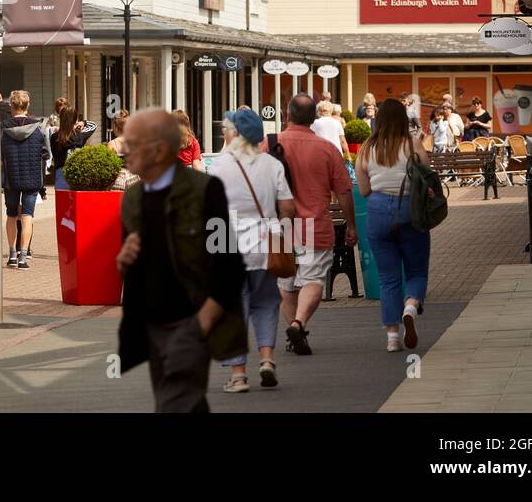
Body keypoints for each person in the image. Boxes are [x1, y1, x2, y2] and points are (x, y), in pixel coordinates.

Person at [115, 108, 246, 412]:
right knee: (184, 401)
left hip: (191, 320)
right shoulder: (133, 198)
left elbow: (229, 261)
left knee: (173, 402)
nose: (125, 148)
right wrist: (124, 260)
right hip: (151, 324)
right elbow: (132, 267)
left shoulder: (205, 190)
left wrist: (204, 321)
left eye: (134, 142)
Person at [209, 110, 295, 392]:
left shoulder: (219, 166)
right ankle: (267, 360)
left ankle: (238, 375)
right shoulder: (272, 165)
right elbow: (287, 208)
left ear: (234, 134)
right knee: (267, 303)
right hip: (266, 245)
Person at [277, 95, 357, 355]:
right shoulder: (327, 149)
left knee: (285, 286)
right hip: (315, 225)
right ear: (314, 118)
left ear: (287, 115)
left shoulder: (269, 145)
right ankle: (299, 324)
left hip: (279, 228)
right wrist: (351, 225)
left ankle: (294, 331)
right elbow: (344, 191)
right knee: (312, 281)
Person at [355, 98, 432, 351]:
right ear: (402, 119)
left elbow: (364, 190)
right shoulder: (413, 144)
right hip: (411, 210)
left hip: (377, 212)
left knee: (388, 278)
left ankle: (392, 338)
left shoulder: (367, 148)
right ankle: (410, 306)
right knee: (417, 270)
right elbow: (429, 180)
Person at [0, 90, 51, 269]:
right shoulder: (38, 127)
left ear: (11, 106)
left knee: (11, 214)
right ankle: (23, 256)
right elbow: (45, 154)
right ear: (27, 106)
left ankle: (12, 253)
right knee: (28, 215)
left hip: (10, 178)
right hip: (32, 177)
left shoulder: (4, 128)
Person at [50, 107, 96, 189]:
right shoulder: (79, 135)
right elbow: (93, 125)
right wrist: (83, 122)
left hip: (60, 172)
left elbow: (54, 155)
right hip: (77, 172)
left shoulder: (54, 137)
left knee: (62, 200)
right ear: (75, 120)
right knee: (76, 200)